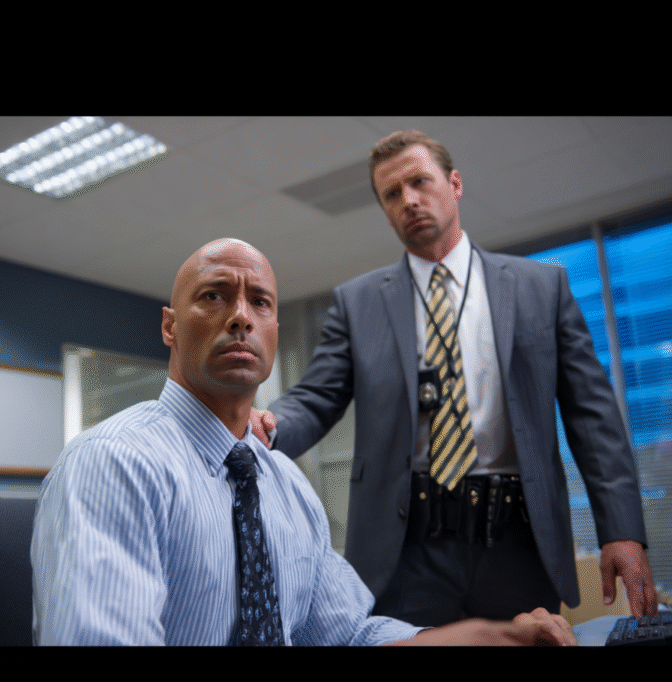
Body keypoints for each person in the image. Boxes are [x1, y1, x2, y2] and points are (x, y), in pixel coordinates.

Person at [31, 237, 576, 645]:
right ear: (170, 327)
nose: (241, 316)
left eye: (260, 302)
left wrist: (489, 638)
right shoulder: (115, 464)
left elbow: (352, 636)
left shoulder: (285, 486)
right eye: (214, 296)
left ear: (273, 329)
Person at [253, 130, 658, 627]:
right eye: (392, 194)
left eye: (420, 182)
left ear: (456, 183)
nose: (410, 200)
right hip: (405, 554)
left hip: (517, 543)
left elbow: (593, 415)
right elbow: (316, 397)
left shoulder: (540, 288)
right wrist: (269, 424)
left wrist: (621, 531)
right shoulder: (357, 304)